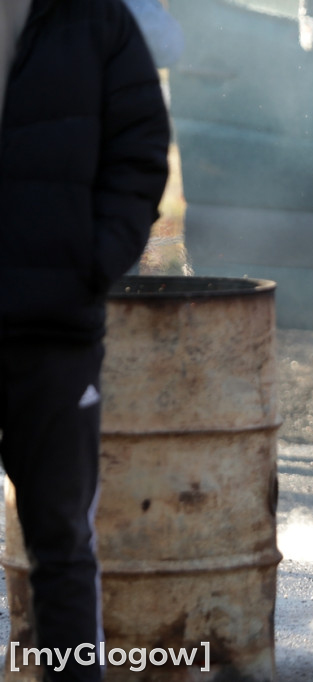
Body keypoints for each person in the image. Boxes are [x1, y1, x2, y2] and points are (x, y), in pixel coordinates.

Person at [0, 0, 170, 679]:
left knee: (62, 544)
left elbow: (140, 150)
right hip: (56, 317)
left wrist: (91, 262)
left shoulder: (94, 18)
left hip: (53, 330)